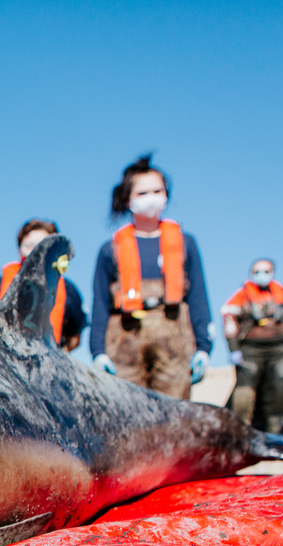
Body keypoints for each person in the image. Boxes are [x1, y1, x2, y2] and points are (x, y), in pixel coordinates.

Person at [90, 155, 212, 398]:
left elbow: (198, 295)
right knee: (126, 413)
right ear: (127, 199)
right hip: (124, 339)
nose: (151, 198)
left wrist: (204, 347)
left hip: (174, 338)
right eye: (142, 193)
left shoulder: (185, 243)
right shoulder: (109, 250)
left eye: (158, 190)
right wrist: (97, 352)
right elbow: (100, 304)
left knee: (174, 414)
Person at [222, 258, 283, 432]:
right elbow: (228, 316)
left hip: (278, 350)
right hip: (250, 350)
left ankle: (274, 432)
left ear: (272, 273)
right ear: (251, 274)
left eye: (266, 271)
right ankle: (241, 431)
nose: (261, 275)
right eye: (257, 272)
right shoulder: (243, 295)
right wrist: (233, 348)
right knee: (245, 391)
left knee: (278, 387)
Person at [0, 219, 88, 350]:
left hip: (48, 362)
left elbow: (75, 336)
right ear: (20, 251)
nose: (36, 252)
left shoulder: (69, 291)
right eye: (29, 246)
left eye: (43, 246)